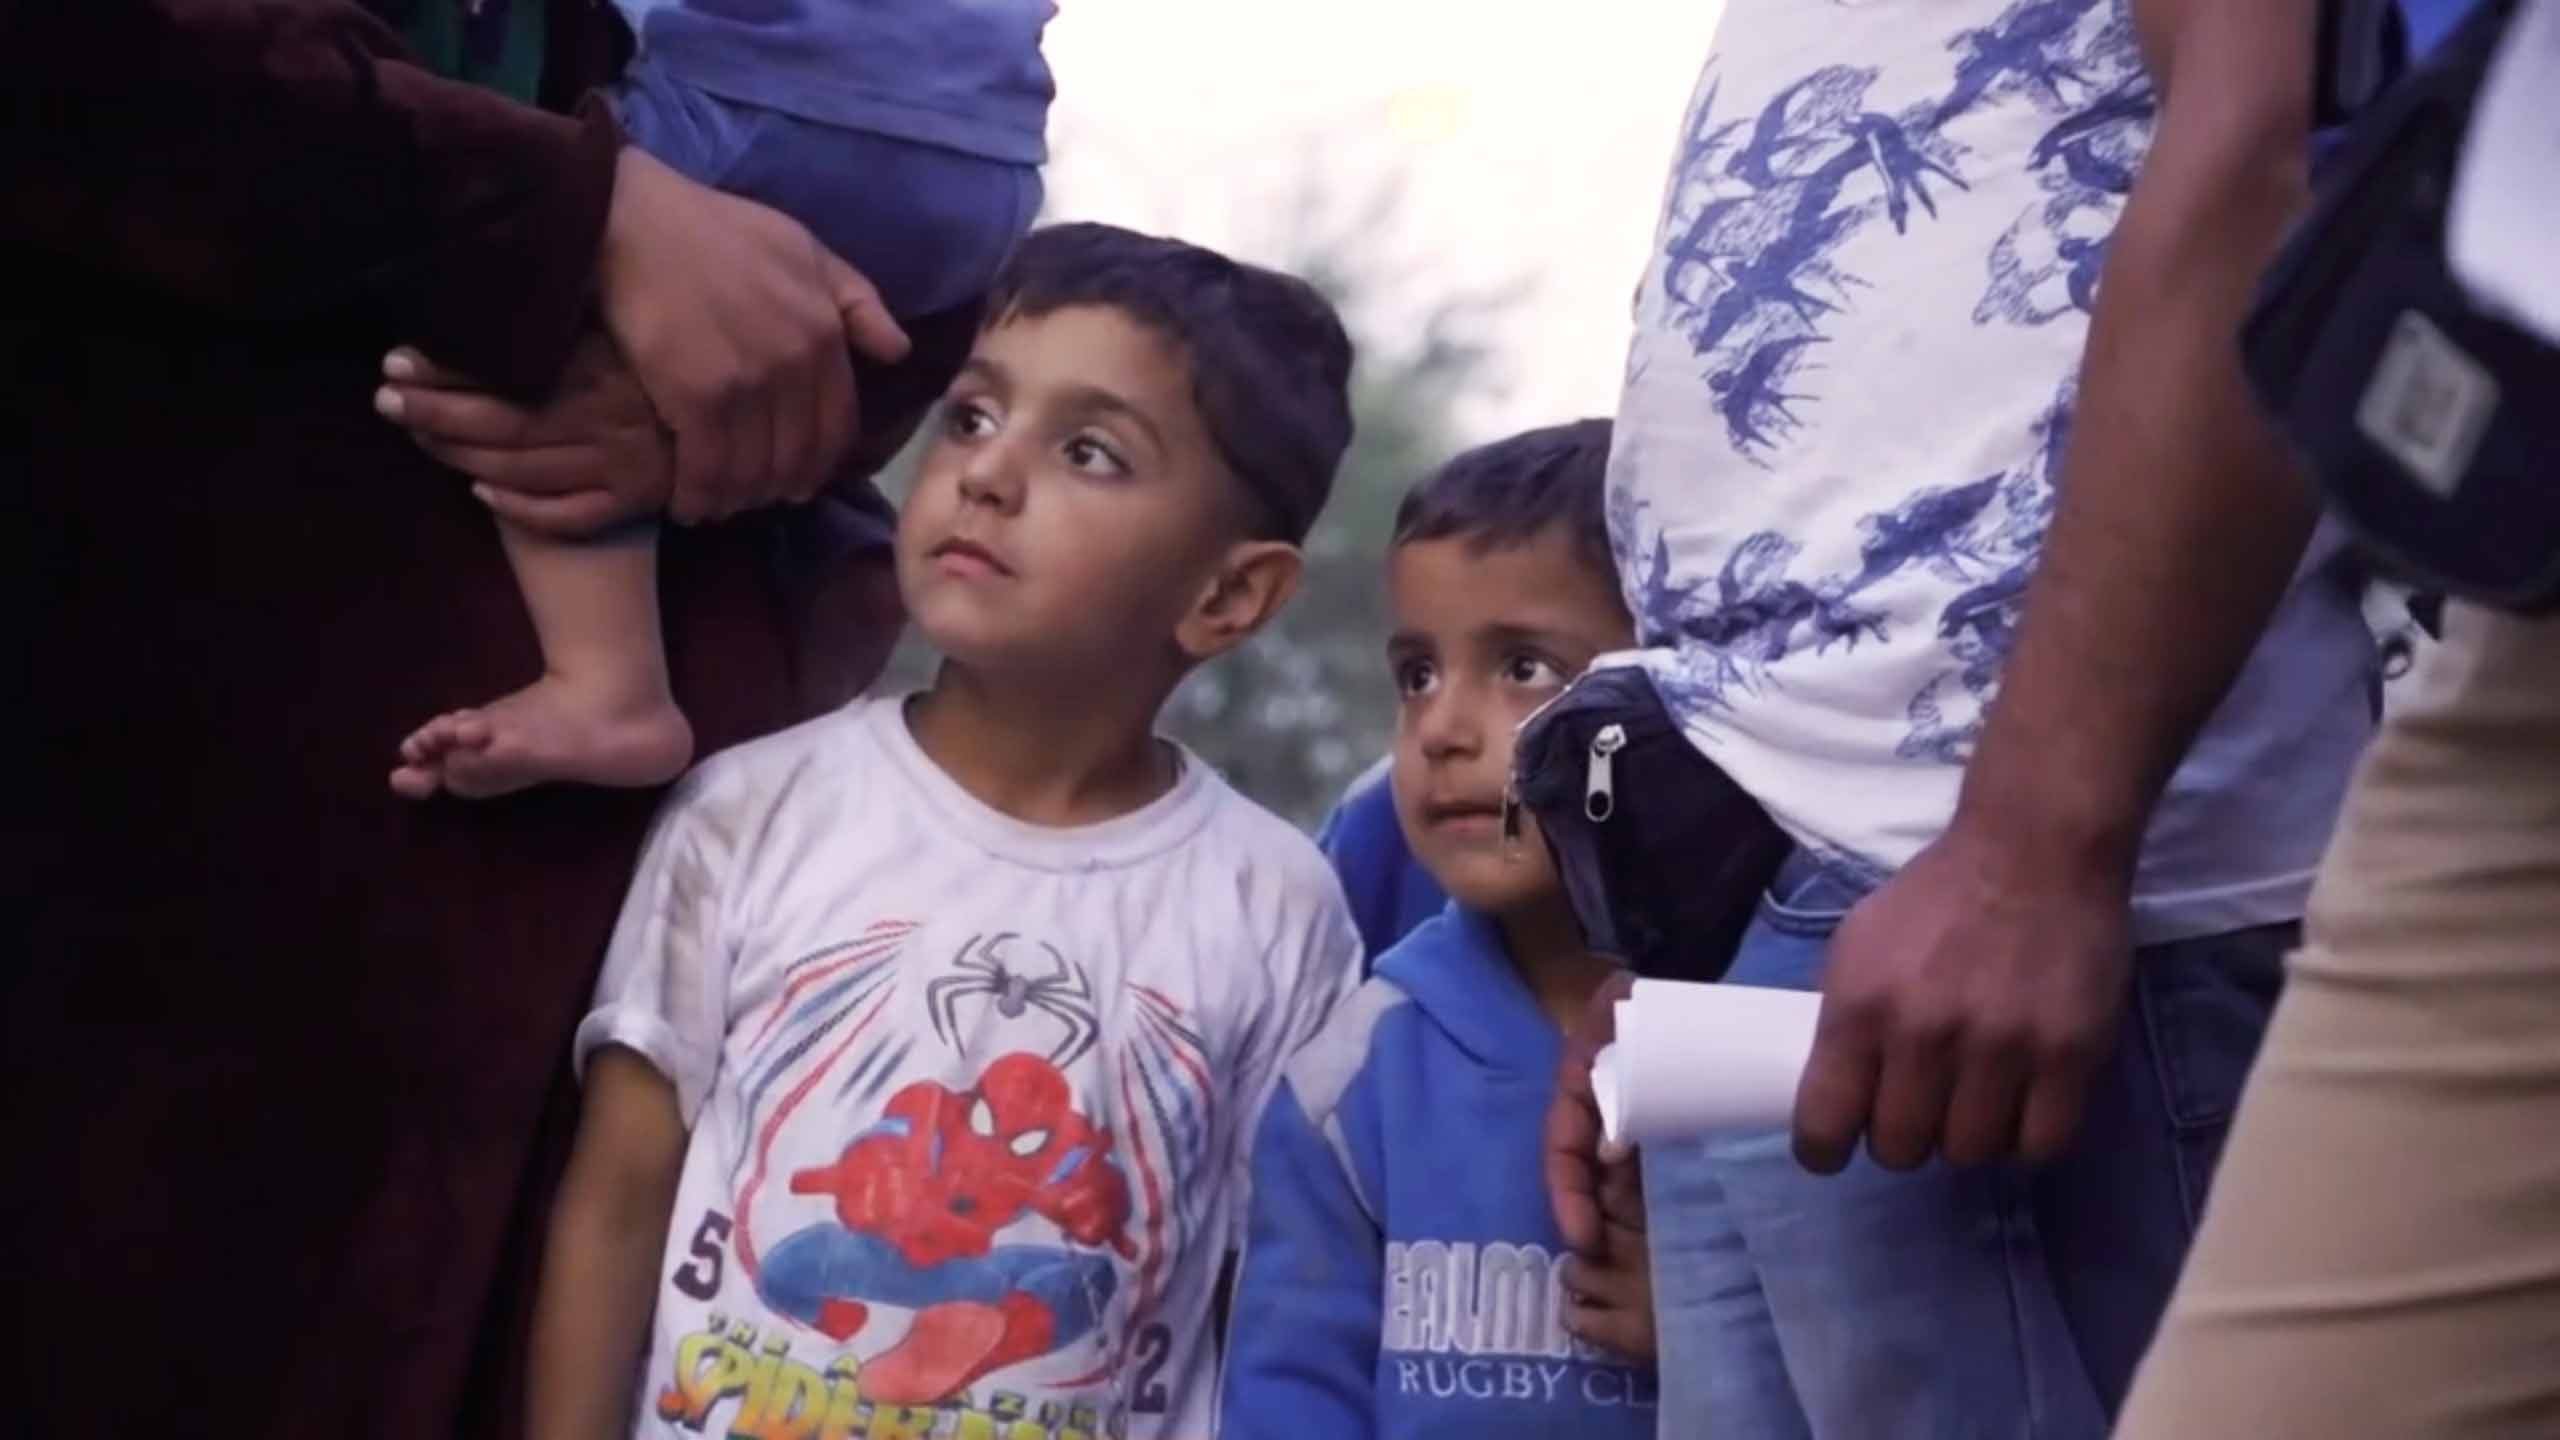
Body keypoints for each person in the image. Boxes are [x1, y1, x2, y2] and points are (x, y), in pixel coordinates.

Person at [4, 4, 965, 1435]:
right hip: (150, 832)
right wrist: (576, 215)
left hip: (539, 958)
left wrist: (699, 396)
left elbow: (897, 224)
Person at [1552, 0, 2382, 1433]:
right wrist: (1679, 955)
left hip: (2061, 931)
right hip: (1807, 922)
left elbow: (2263, 161)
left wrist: (2037, 851)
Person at [529, 223, 1364, 1440]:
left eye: (1089, 450)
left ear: (1227, 595)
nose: (987, 472)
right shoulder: (751, 813)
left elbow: (1278, 1297)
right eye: (973, 417)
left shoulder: (1275, 905)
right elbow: (615, 1203)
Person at [385, 0, 1054, 799]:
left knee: (535, 263)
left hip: (758, 104)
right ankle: (816, 561)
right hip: (989, 169)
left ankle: (607, 683)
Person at [1222, 420, 1659, 1440]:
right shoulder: (1348, 1082)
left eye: (1523, 668)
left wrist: (1719, 1334)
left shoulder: (1772, 1053)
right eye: (1416, 672)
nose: (1443, 728)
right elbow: (1291, 1392)